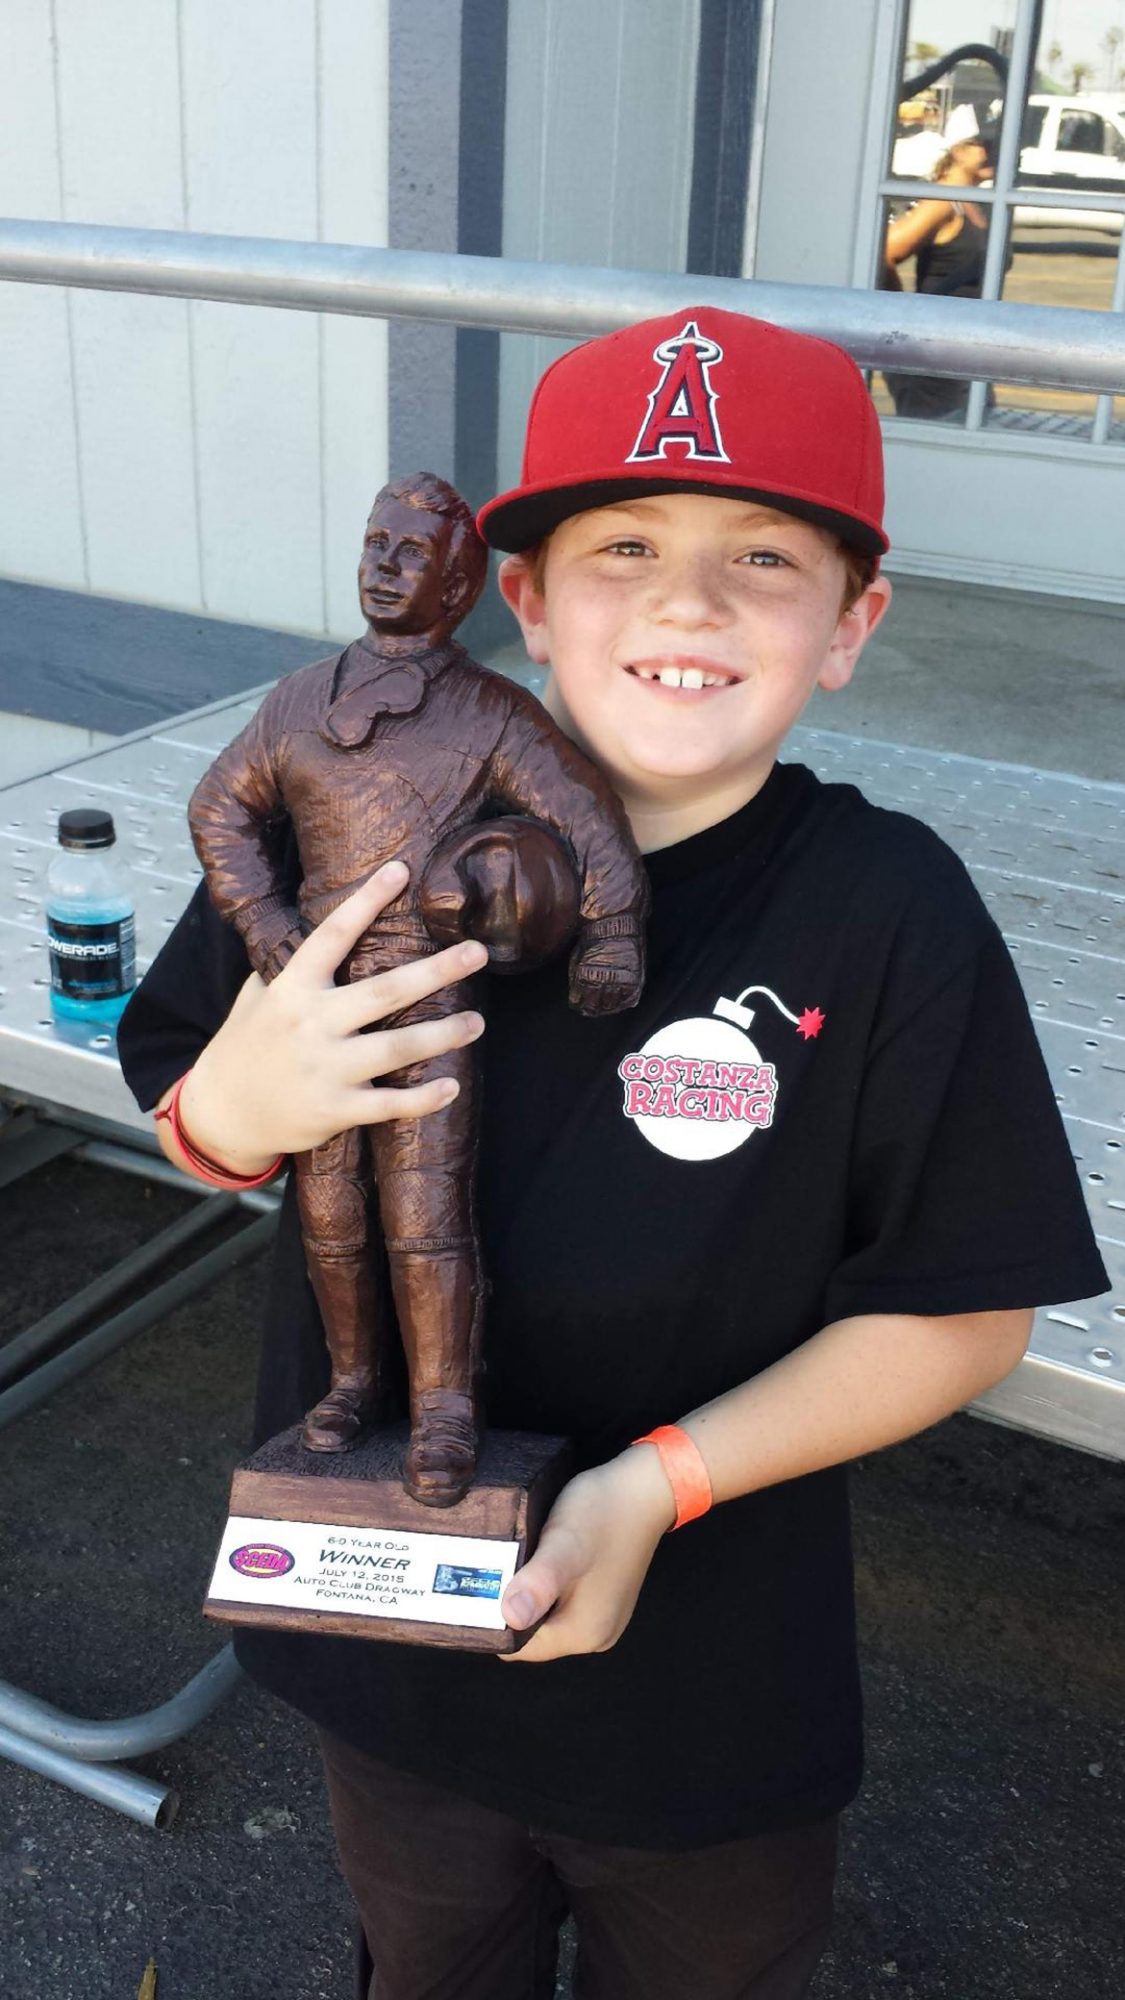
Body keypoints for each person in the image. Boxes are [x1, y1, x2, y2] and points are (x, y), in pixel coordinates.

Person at [118, 307, 1107, 2000]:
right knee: (429, 1958)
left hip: (699, 1701)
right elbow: (180, 1091)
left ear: (855, 621)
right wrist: (235, 1116)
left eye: (766, 557)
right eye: (626, 545)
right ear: (525, 599)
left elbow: (962, 1307)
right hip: (392, 1633)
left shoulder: (887, 912)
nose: (688, 604)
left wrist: (658, 1486)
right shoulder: (342, 816)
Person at [183, 469, 646, 1503]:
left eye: (411, 555)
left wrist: (610, 937)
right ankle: (352, 1381)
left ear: (461, 584)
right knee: (330, 1213)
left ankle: (444, 1409)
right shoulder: (298, 699)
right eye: (375, 545)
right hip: (311, 1012)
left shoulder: (491, 713)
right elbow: (219, 809)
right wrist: (266, 925)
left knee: (428, 1217)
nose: (385, 568)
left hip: (429, 1009)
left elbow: (589, 822)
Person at [883, 125, 996, 420]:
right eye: (985, 144)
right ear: (958, 151)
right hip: (934, 358)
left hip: (972, 352)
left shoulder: (977, 204)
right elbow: (886, 252)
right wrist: (900, 312)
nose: (993, 152)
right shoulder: (943, 201)